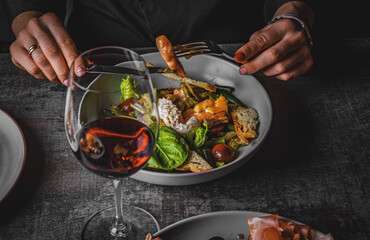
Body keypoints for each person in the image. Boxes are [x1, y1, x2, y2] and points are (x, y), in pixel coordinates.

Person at [3, 0, 314, 85]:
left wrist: (295, 12)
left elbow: (294, 7)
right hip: (94, 62)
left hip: (235, 50)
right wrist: (27, 21)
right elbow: (27, 7)